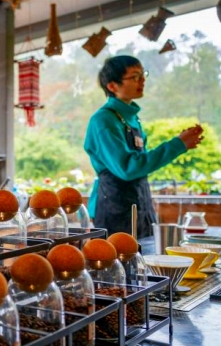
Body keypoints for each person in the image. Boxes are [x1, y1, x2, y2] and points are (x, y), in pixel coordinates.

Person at [84, 55, 204, 242]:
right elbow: (128, 168)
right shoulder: (104, 120)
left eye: (142, 74)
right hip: (114, 207)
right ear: (112, 86)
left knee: (144, 261)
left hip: (140, 203)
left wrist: (179, 144)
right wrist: (177, 145)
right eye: (134, 76)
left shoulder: (132, 118)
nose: (142, 80)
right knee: (118, 266)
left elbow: (140, 163)